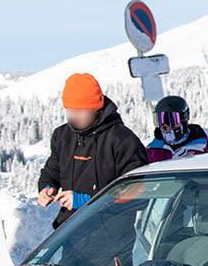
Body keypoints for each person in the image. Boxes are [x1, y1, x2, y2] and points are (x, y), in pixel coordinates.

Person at [37, 73, 148, 228]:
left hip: (111, 236)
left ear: (95, 108)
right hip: (70, 231)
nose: (73, 116)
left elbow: (138, 191)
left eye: (79, 111)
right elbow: (51, 172)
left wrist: (86, 201)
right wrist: (47, 188)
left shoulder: (122, 140)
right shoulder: (62, 136)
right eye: (70, 110)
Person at [146, 95, 208, 163]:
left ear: (184, 120)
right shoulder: (152, 151)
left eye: (173, 121)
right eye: (162, 122)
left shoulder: (201, 146)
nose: (168, 128)